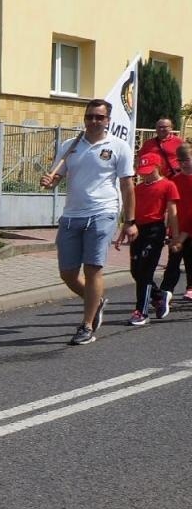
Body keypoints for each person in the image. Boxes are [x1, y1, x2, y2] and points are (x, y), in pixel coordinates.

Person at [41, 99, 137, 345]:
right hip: (72, 215)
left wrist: (130, 221)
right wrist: (50, 181)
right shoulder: (70, 146)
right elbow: (57, 176)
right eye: (89, 116)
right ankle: (95, 301)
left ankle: (86, 325)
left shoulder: (118, 147)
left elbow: (127, 185)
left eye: (99, 117)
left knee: (92, 268)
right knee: (68, 274)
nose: (93, 121)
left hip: (103, 213)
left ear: (108, 121)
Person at [121, 154, 178, 325]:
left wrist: (175, 236)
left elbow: (172, 212)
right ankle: (159, 296)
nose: (145, 175)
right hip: (138, 230)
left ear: (157, 167)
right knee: (136, 271)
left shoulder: (168, 185)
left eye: (149, 171)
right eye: (142, 172)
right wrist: (125, 227)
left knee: (146, 272)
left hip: (155, 230)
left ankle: (141, 312)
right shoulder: (138, 189)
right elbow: (131, 211)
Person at [157, 143, 192, 302]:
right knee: (173, 262)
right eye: (180, 160)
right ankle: (166, 291)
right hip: (177, 228)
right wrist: (168, 227)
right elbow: (169, 206)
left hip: (190, 228)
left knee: (190, 261)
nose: (183, 163)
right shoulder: (174, 181)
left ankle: (190, 287)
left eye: (187, 159)